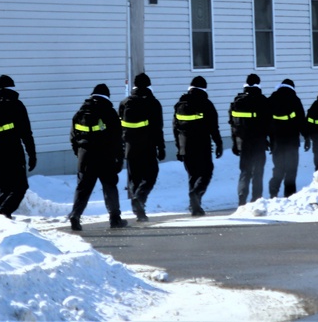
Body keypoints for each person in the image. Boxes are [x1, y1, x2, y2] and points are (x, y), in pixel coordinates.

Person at [67, 84, 127, 231]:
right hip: (105, 157)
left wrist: (79, 153)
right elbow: (117, 139)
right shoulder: (110, 113)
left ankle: (75, 215)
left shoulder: (80, 113)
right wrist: (119, 159)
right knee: (109, 187)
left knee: (83, 188)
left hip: (85, 156)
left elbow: (73, 138)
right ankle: (115, 219)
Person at [0, 75, 37, 219]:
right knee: (20, 187)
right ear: (12, 88)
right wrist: (32, 154)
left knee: (3, 187)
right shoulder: (16, 105)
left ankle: (3, 218)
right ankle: (4, 212)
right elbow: (26, 133)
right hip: (13, 151)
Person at [117, 73, 165, 222]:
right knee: (151, 175)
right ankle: (141, 197)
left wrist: (122, 146)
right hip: (148, 145)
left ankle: (139, 212)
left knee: (134, 179)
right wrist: (161, 148)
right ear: (149, 85)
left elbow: (120, 127)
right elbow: (158, 128)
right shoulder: (153, 102)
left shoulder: (124, 103)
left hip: (130, 147)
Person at [173, 76, 223, 217]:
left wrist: (178, 147)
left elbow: (175, 128)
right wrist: (218, 143)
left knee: (193, 175)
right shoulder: (206, 103)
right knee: (206, 171)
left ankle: (195, 207)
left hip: (185, 146)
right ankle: (195, 194)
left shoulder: (180, 105)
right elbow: (214, 127)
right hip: (201, 144)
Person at [229, 74, 270, 206]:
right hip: (259, 142)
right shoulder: (263, 101)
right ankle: (256, 199)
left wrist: (235, 143)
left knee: (245, 171)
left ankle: (242, 198)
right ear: (258, 84)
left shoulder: (237, 102)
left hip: (243, 142)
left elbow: (233, 124)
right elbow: (269, 124)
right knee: (258, 171)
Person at [267, 78, 308, 198]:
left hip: (276, 141)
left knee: (278, 167)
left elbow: (264, 121)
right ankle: (289, 195)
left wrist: (267, 138)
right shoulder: (295, 100)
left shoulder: (271, 100)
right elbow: (301, 120)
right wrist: (306, 137)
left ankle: (273, 191)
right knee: (291, 169)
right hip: (292, 141)